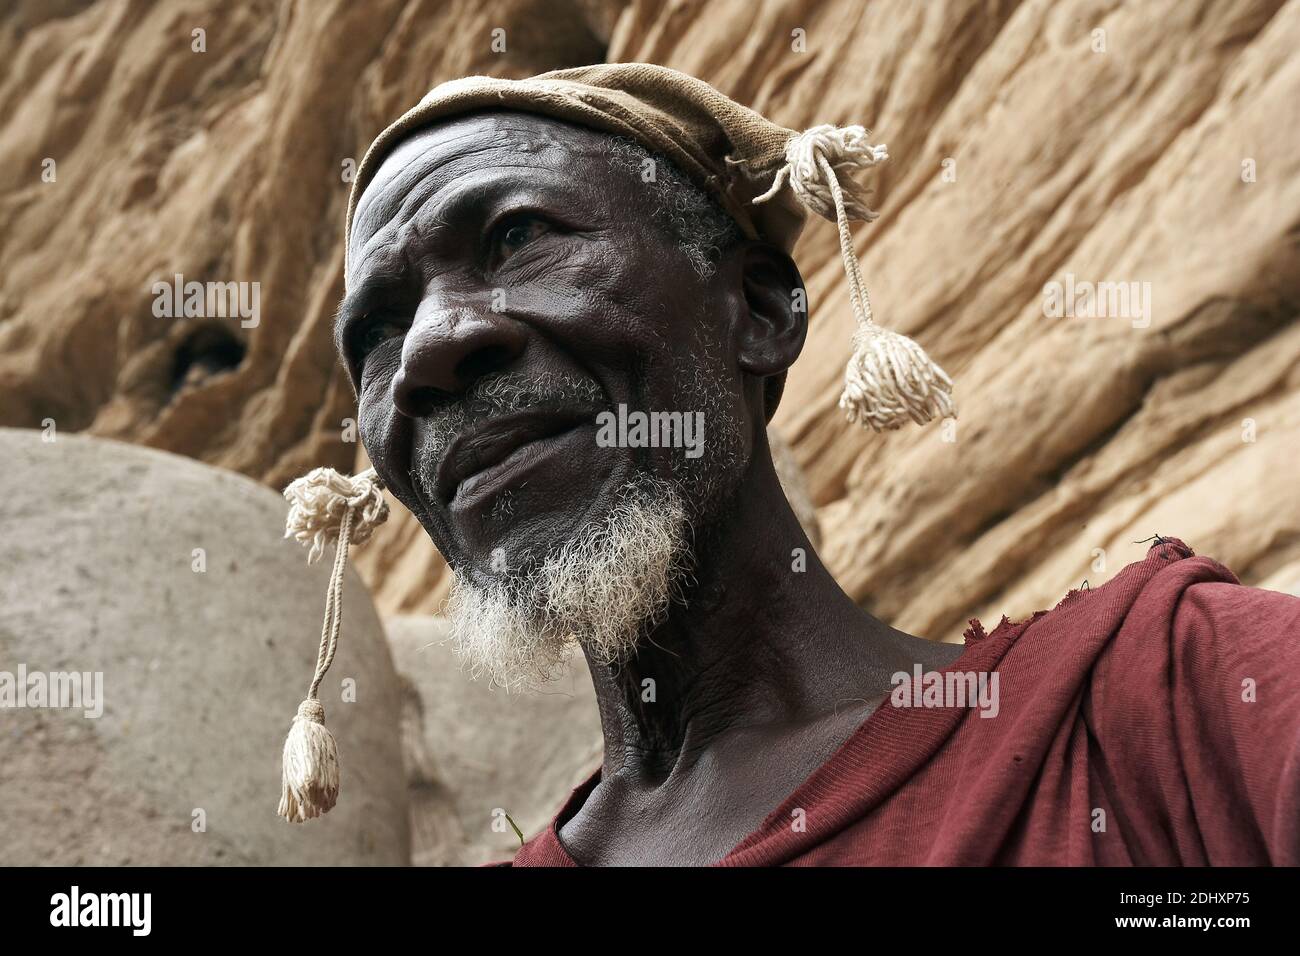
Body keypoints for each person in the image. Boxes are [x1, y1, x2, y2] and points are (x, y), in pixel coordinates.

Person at [281, 65, 1300, 865]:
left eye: (517, 236)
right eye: (376, 330)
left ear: (760, 311)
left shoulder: (1172, 702)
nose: (425, 349)